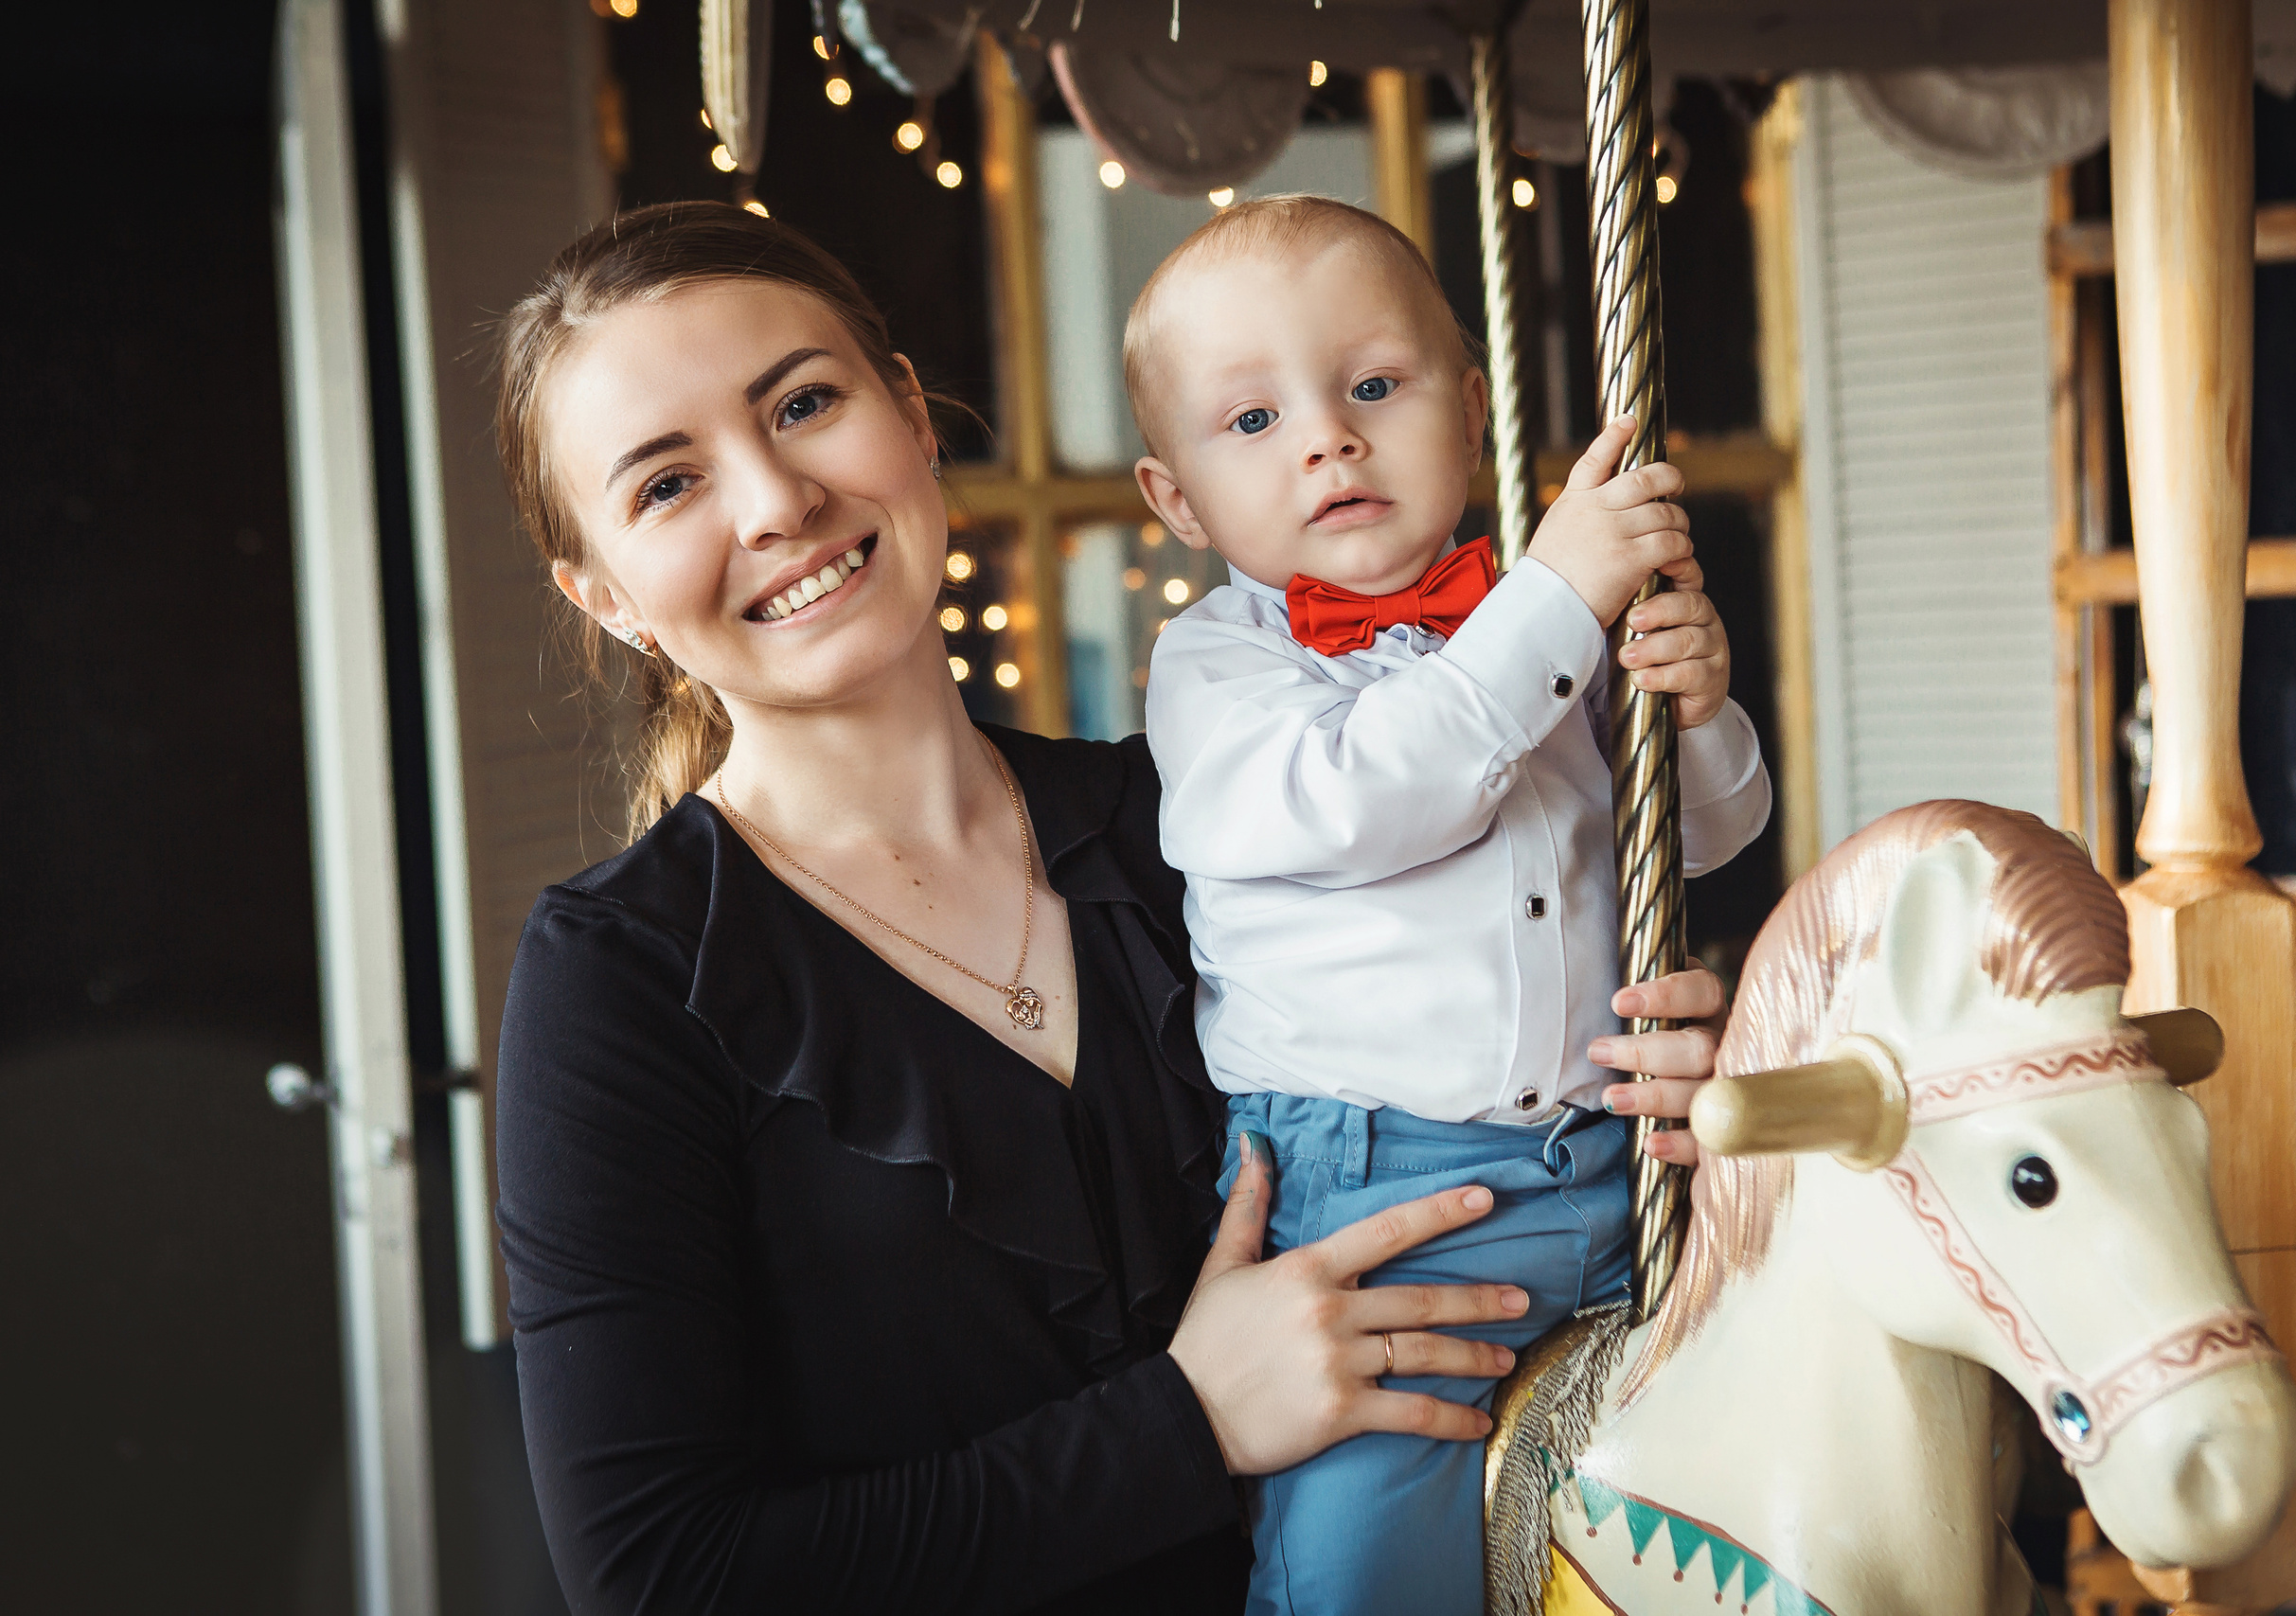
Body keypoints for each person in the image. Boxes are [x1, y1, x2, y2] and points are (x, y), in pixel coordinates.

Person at [491, 199, 1735, 1616]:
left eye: (805, 404)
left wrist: (1635, 1080)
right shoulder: (628, 978)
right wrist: (1186, 1422)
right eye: (668, 484)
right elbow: (665, 1581)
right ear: (605, 597)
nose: (776, 502)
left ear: (910, 415)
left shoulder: (1192, 822)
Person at [1124, 196, 1770, 1616]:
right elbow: (1369, 797)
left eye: (1374, 386)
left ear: (1470, 413)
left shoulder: (1548, 624)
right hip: (1384, 1212)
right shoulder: (1217, 671)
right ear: (1177, 501)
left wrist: (1695, 712)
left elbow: (1705, 840)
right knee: (1366, 1568)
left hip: (1622, 1159)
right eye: (1253, 421)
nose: (1328, 440)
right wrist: (1553, 602)